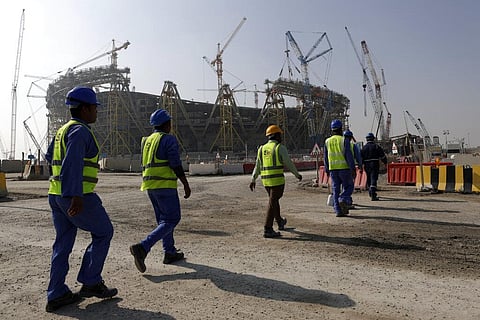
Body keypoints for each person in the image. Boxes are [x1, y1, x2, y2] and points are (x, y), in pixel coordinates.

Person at [45, 86, 117, 313]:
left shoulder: (62, 131)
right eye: (95, 108)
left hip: (55, 194)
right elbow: (73, 161)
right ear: (85, 109)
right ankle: (91, 281)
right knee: (104, 232)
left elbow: (50, 157)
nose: (96, 112)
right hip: (78, 196)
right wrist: (76, 194)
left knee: (63, 243)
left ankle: (56, 293)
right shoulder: (81, 131)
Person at [130, 109, 191, 273]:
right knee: (172, 219)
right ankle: (143, 247)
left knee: (163, 221)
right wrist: (185, 183)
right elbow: (175, 164)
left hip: (150, 186)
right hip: (165, 186)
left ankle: (169, 252)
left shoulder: (147, 140)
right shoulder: (167, 139)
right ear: (166, 124)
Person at [249, 125, 302, 238]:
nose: (281, 137)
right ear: (276, 135)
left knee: (274, 201)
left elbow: (257, 166)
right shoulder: (279, 148)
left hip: (266, 182)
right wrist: (297, 175)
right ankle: (267, 229)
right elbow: (289, 163)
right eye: (280, 135)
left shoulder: (261, 149)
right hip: (277, 181)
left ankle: (279, 222)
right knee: (272, 202)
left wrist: (253, 179)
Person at [323, 120, 356, 217]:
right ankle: (343, 198)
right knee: (349, 186)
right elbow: (348, 156)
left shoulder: (327, 141)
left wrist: (327, 169)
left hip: (333, 169)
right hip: (344, 168)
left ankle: (338, 210)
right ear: (341, 129)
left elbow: (325, 157)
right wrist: (352, 168)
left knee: (335, 190)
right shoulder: (344, 140)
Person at [361, 132, 388, 201]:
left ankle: (370, 191)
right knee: (373, 178)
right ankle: (373, 193)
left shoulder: (363, 148)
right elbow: (382, 156)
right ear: (373, 138)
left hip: (366, 165)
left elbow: (361, 158)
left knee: (369, 178)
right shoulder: (376, 146)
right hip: (374, 164)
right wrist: (385, 162)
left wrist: (361, 165)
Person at [343, 129, 363, 208]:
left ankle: (346, 201)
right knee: (349, 186)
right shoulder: (352, 145)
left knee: (344, 186)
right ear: (351, 137)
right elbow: (358, 157)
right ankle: (345, 201)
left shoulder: (340, 144)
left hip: (337, 169)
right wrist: (360, 166)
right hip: (348, 168)